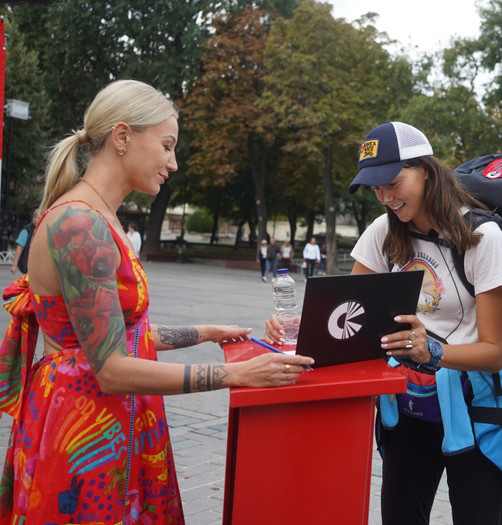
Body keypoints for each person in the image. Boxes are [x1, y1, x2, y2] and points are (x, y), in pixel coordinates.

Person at [0, 80, 313, 525]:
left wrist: (206, 333)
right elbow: (109, 368)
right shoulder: (79, 224)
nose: (173, 162)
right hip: (84, 433)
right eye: (166, 146)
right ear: (123, 137)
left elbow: (114, 335)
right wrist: (237, 374)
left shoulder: (96, 215)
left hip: (104, 419)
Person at [266, 121, 502, 524]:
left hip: (474, 410)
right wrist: (300, 325)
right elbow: (346, 317)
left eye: (394, 182)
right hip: (408, 405)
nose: (386, 196)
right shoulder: (382, 232)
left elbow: (493, 353)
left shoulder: (482, 238)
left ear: (426, 170)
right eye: (376, 188)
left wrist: (432, 350)